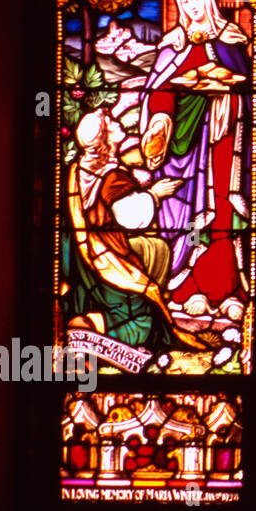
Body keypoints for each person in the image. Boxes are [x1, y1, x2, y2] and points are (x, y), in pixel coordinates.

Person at [139, 0, 251, 322]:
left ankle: (228, 290)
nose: (192, 6)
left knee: (221, 211)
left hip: (223, 138)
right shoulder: (173, 44)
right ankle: (189, 289)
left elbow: (247, 88)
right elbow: (158, 91)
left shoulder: (233, 41)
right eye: (184, 1)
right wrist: (160, 123)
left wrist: (228, 96)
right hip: (184, 149)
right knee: (190, 215)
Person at [63, 108, 203, 354]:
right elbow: (131, 218)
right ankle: (92, 327)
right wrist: (155, 195)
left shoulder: (78, 169)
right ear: (106, 140)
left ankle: (89, 318)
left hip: (78, 260)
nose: (114, 119)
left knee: (155, 249)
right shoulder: (110, 177)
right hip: (106, 260)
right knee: (146, 320)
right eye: (109, 121)